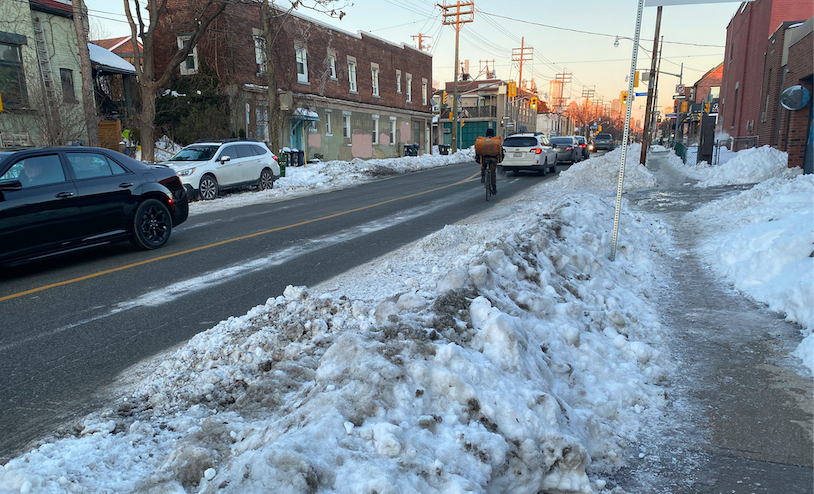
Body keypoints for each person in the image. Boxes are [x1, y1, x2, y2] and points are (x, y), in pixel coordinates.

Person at [474, 128, 503, 195]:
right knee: (493, 172)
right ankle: (493, 187)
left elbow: (478, 152)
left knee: (483, 166)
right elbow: (500, 151)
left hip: (484, 158)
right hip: (493, 159)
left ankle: (483, 176)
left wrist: (478, 158)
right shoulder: (496, 141)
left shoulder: (483, 142)